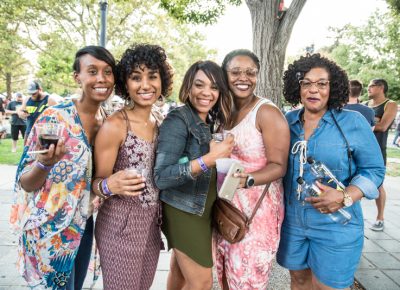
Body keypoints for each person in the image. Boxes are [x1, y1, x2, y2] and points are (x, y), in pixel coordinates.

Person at [9, 45, 117, 289]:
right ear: (77, 77)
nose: (101, 78)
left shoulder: (110, 121)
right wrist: (44, 164)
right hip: (49, 228)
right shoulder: (54, 117)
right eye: (92, 71)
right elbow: (25, 182)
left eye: (108, 71)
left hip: (84, 223)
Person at [276, 53, 385, 289]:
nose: (313, 90)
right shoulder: (287, 121)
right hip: (293, 222)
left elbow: (375, 170)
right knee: (298, 280)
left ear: (332, 87)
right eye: (306, 83)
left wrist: (346, 196)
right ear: (298, 87)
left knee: (328, 286)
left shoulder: (352, 122)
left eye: (321, 83)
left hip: (337, 225)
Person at [93, 44, 173, 290]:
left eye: (152, 76)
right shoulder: (115, 125)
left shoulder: (160, 121)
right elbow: (96, 183)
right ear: (125, 84)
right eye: (136, 77)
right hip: (119, 227)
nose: (145, 85)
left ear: (162, 81)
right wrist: (109, 184)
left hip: (151, 227)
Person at [154, 60, 234, 290]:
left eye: (214, 87)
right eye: (199, 85)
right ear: (188, 86)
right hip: (183, 210)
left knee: (179, 275)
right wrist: (208, 159)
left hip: (202, 209)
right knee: (202, 283)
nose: (206, 93)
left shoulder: (208, 121)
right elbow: (162, 177)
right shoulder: (178, 120)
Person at [213, 49, 289, 289]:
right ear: (224, 75)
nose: (242, 78)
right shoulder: (221, 111)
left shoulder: (266, 112)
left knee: (248, 282)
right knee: (225, 276)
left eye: (250, 72)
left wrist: (248, 179)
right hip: (225, 210)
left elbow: (279, 166)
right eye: (235, 72)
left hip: (256, 214)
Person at [365, 78, 397, 231]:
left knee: (378, 185)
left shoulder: (390, 104)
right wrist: (374, 122)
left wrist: (371, 123)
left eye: (371, 86)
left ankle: (380, 218)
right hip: (361, 150)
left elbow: (383, 126)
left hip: (378, 151)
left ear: (380, 87)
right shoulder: (365, 105)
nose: (368, 88)